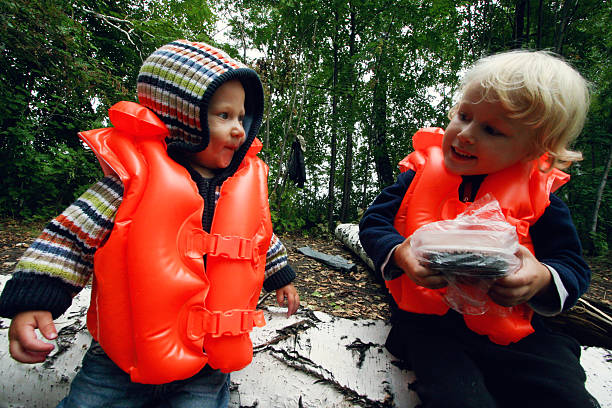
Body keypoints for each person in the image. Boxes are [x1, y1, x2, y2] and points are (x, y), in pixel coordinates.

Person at [0, 39, 300, 407]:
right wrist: (35, 298)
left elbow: (256, 238)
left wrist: (281, 276)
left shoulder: (241, 184)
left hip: (205, 367)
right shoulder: (131, 181)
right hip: (120, 363)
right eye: (224, 116)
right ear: (182, 116)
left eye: (241, 117)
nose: (239, 129)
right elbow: (71, 237)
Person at [359, 50, 600, 408]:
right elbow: (375, 223)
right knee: (457, 396)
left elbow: (572, 265)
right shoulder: (419, 172)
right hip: (431, 328)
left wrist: (541, 278)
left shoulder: (539, 196)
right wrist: (400, 252)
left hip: (514, 333)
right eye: (464, 115)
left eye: (491, 130)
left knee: (565, 392)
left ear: (534, 149)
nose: (465, 134)